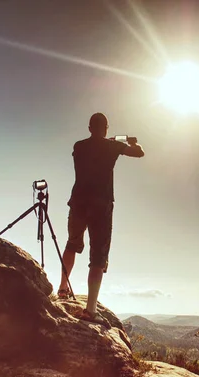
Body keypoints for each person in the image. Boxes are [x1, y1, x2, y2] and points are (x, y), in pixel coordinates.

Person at [58, 112, 144, 325]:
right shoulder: (111, 147)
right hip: (101, 207)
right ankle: (90, 309)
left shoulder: (79, 146)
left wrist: (109, 141)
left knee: (72, 244)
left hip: (78, 203)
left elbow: (94, 147)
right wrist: (130, 141)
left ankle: (62, 288)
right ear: (106, 128)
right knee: (98, 255)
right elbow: (139, 153)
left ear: (89, 128)